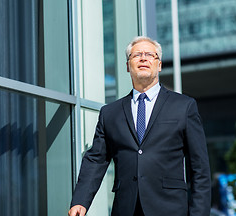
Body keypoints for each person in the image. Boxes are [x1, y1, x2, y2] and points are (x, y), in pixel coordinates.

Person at [68, 36, 211, 216]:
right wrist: (80, 201)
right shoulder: (110, 113)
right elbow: (96, 159)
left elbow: (200, 168)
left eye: (149, 55)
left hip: (170, 209)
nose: (143, 58)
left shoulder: (184, 106)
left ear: (159, 65)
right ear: (128, 66)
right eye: (137, 55)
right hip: (125, 209)